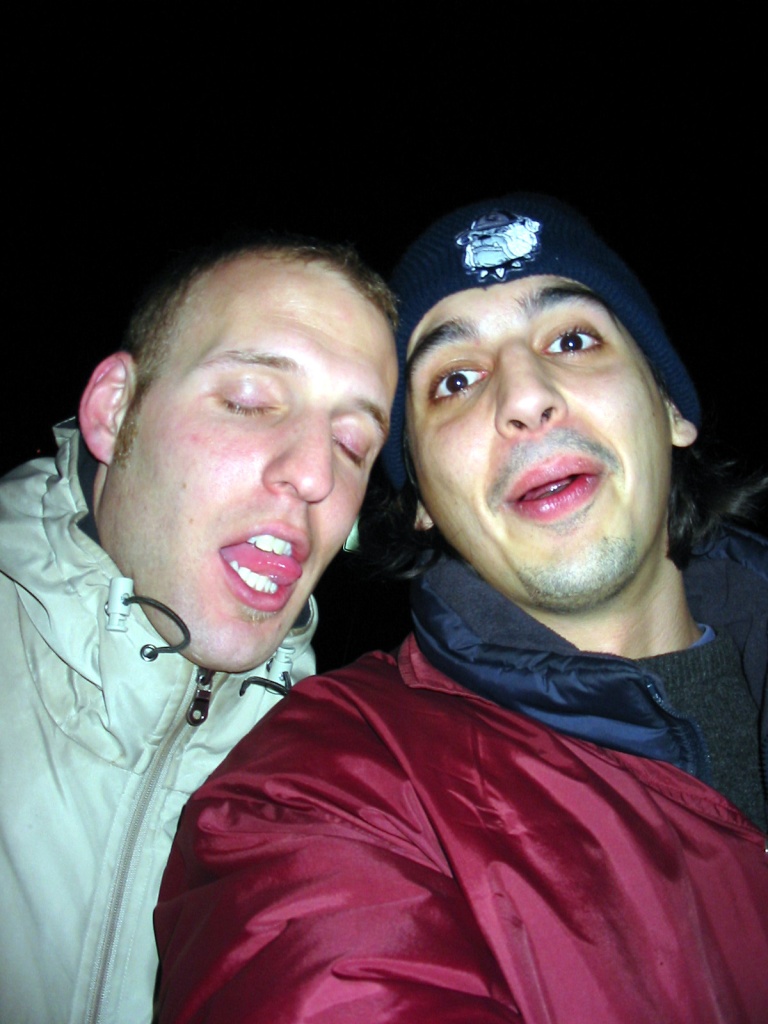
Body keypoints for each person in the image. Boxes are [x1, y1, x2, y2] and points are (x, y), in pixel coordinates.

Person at [154, 196, 768, 1023]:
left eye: (572, 340)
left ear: (669, 408)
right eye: (455, 380)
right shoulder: (324, 790)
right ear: (419, 501)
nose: (526, 397)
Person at [0, 232, 398, 1024]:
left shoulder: (336, 784)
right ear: (115, 411)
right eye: (249, 401)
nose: (315, 475)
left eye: (353, 444)